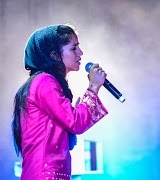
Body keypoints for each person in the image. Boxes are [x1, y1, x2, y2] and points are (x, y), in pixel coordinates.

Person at [11, 24, 108, 180]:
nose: (80, 53)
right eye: (74, 48)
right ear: (55, 55)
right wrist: (94, 87)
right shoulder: (44, 81)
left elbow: (64, 133)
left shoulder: (43, 82)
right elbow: (76, 122)